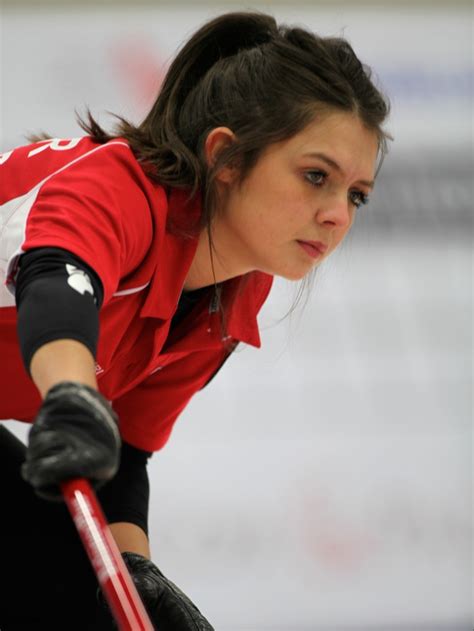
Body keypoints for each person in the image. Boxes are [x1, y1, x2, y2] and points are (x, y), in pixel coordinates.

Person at [0, 10, 390, 630]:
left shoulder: (236, 287)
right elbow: (55, 282)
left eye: (356, 195)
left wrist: (136, 573)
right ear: (226, 157)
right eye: (316, 177)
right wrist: (73, 395)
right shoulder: (120, 186)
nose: (338, 214)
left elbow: (123, 451)